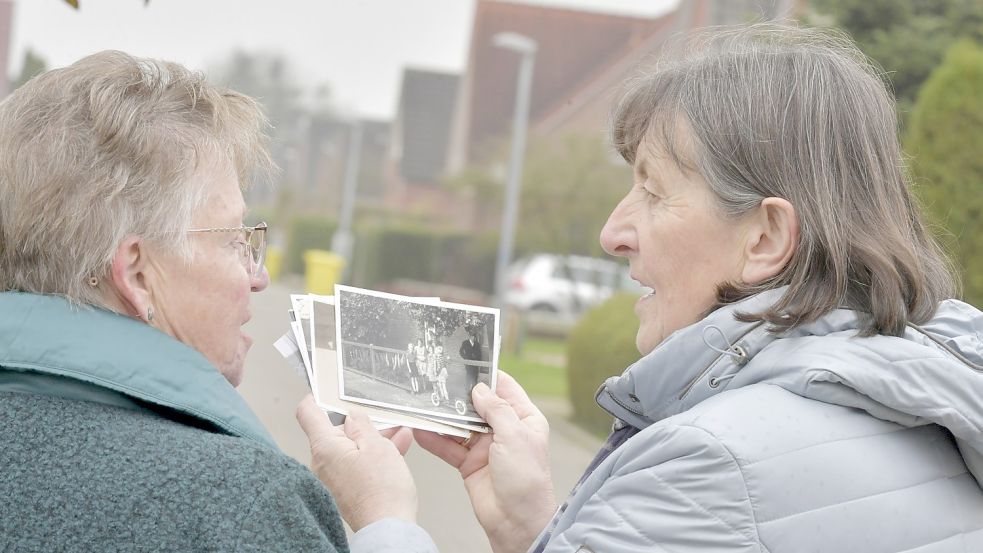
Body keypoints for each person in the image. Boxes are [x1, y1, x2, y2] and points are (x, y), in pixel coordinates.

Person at [297, 24, 983, 552]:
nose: (612, 232)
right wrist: (533, 525)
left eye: (653, 191)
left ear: (766, 238)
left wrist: (382, 518)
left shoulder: (710, 461)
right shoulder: (929, 406)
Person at [0, 51, 350, 551]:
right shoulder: (244, 507)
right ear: (139, 274)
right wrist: (389, 525)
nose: (260, 276)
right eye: (236, 240)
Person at [458, 329, 483, 393]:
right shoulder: (465, 343)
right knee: (469, 374)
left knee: (475, 375)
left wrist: (478, 362)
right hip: (468, 363)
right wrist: (465, 358)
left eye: (474, 337)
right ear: (470, 337)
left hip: (475, 363)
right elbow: (461, 351)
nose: (473, 338)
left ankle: (474, 389)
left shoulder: (477, 344)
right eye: (472, 336)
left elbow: (480, 354)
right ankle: (467, 388)